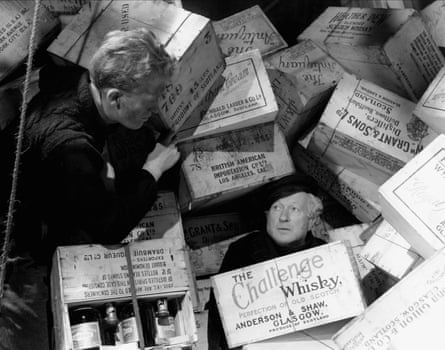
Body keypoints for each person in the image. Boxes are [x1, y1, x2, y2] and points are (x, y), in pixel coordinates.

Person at [11, 28, 180, 257]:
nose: (155, 109)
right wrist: (153, 168)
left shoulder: (81, 82)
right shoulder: (72, 150)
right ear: (114, 97)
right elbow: (109, 229)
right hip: (23, 232)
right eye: (149, 103)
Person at [206, 175, 325, 350]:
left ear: (312, 221)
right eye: (277, 208)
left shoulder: (326, 255)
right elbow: (220, 321)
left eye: (294, 209)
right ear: (267, 216)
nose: (283, 217)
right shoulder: (242, 251)